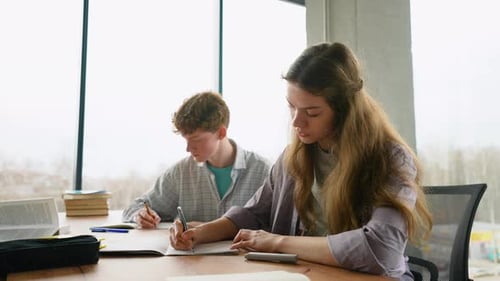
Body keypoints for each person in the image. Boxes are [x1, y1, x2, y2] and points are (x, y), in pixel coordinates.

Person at [169, 43, 433, 280]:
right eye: (291, 107)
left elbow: (380, 248)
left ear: (344, 111)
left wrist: (277, 242)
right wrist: (200, 234)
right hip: (305, 274)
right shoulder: (293, 157)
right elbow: (254, 213)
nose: (296, 121)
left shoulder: (391, 160)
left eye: (312, 112)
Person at [122, 91, 271, 228]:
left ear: (221, 132)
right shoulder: (180, 173)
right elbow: (134, 208)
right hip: (190, 257)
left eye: (196, 139)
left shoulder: (263, 171)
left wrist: (208, 229)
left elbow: (276, 226)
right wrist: (140, 215)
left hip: (242, 257)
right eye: (185, 140)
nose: (188, 148)